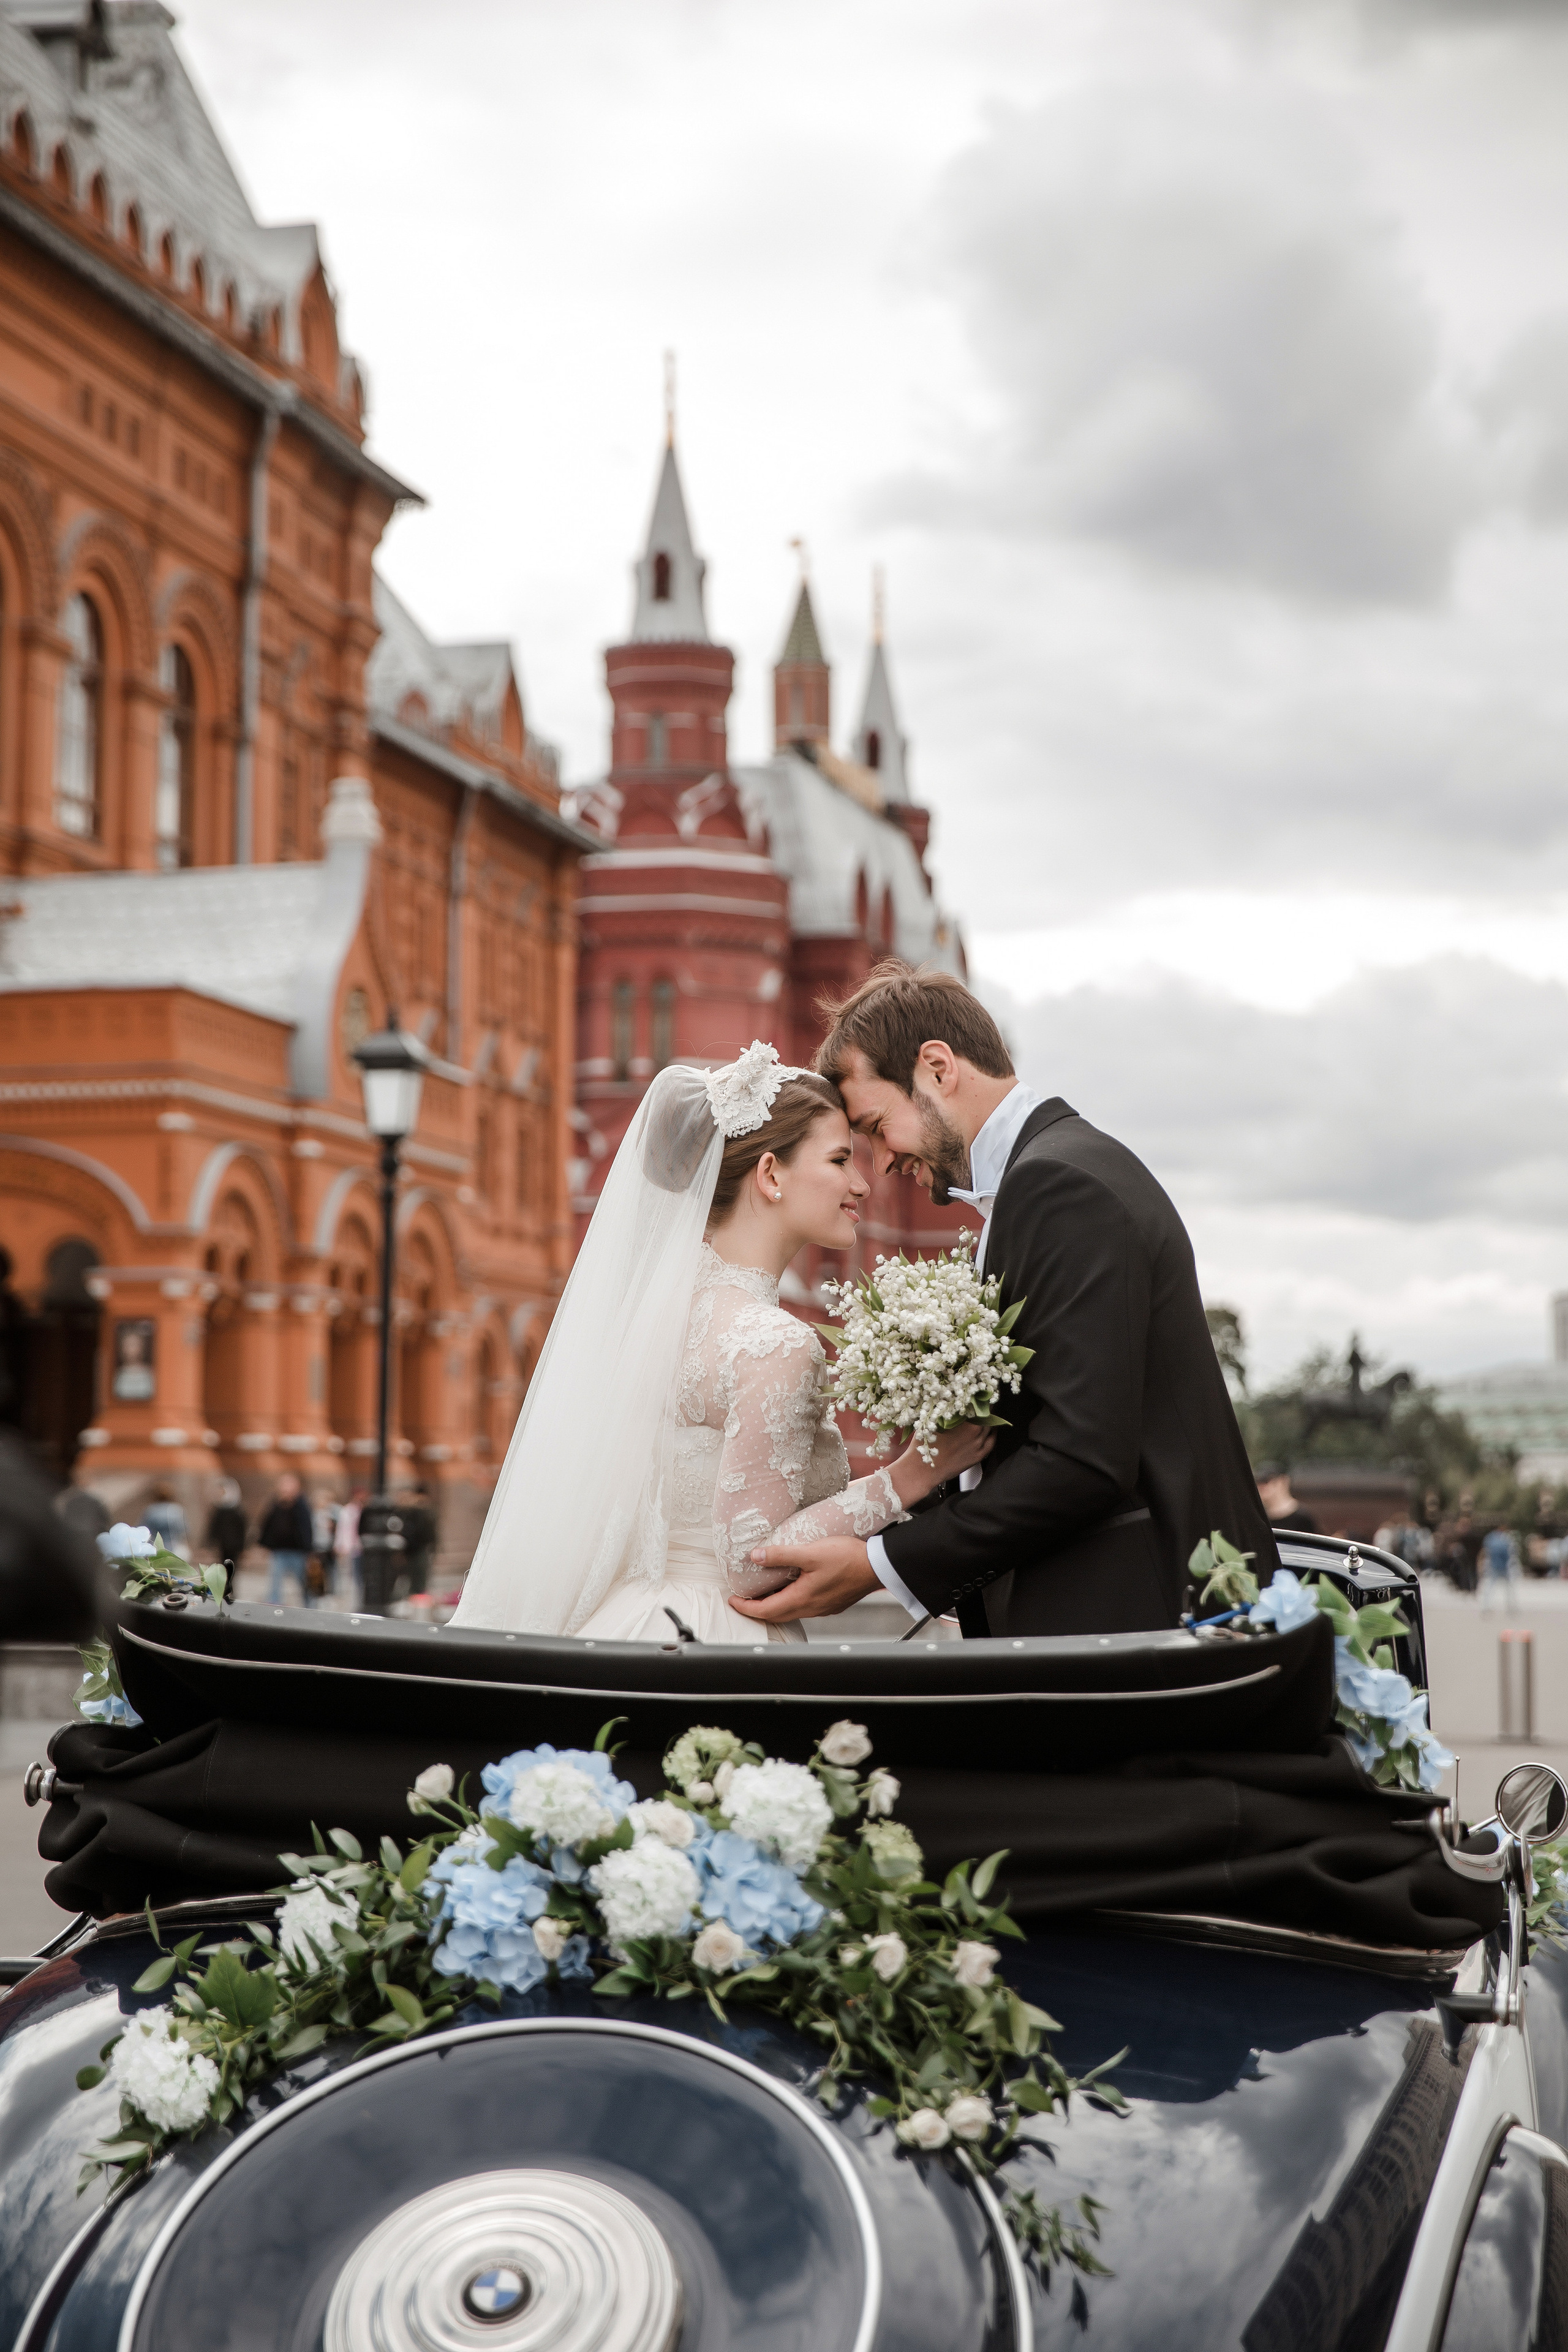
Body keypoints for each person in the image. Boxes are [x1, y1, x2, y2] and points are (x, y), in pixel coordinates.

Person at [731, 962, 1278, 1639]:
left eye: (876, 1127)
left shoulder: (1058, 1185)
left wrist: (883, 1565)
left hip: (1145, 1623)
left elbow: (1081, 1459)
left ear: (936, 1067)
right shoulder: (1049, 1175)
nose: (882, 1163)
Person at [452, 1046, 988, 1641]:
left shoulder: (645, 1323)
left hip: (621, 1626)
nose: (861, 1183)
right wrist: (910, 1476)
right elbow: (752, 1566)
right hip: (714, 1640)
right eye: (840, 1160)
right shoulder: (774, 1345)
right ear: (769, 1175)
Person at [257, 1472, 312, 1608]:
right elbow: (267, 1524)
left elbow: (307, 1528)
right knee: (275, 1581)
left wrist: (309, 1550)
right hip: (279, 1551)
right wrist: (264, 1545)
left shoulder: (301, 1505)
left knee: (304, 1582)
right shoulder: (276, 1505)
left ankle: (310, 1606)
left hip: (298, 1552)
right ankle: (274, 1604)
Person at [1256, 1463, 1317, 1535]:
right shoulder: (1259, 1518)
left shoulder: (1303, 1517)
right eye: (1258, 1482)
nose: (1261, 1487)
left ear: (1282, 1481)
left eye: (1266, 1481)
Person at [202, 1478, 247, 1569]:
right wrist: (209, 1542)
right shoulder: (219, 1510)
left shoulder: (237, 1511)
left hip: (234, 1545)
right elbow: (214, 1527)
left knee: (232, 1566)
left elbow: (242, 1529)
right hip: (223, 1544)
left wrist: (243, 1546)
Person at [141, 1481, 189, 1558]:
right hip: (175, 1548)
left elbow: (144, 1530)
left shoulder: (152, 1511)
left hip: (156, 1548)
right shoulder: (177, 1510)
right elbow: (185, 1530)